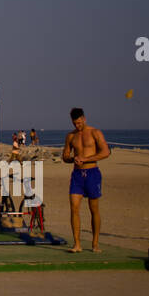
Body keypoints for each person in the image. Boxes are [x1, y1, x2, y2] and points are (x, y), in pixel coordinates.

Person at [62, 107, 110, 253]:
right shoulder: (71, 136)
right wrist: (72, 159)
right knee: (74, 208)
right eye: (74, 123)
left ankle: (95, 243)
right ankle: (77, 244)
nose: (77, 126)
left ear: (84, 119)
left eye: (79, 122)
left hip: (92, 173)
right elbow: (65, 156)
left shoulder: (95, 132)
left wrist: (86, 159)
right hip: (77, 175)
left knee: (93, 209)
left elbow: (105, 152)